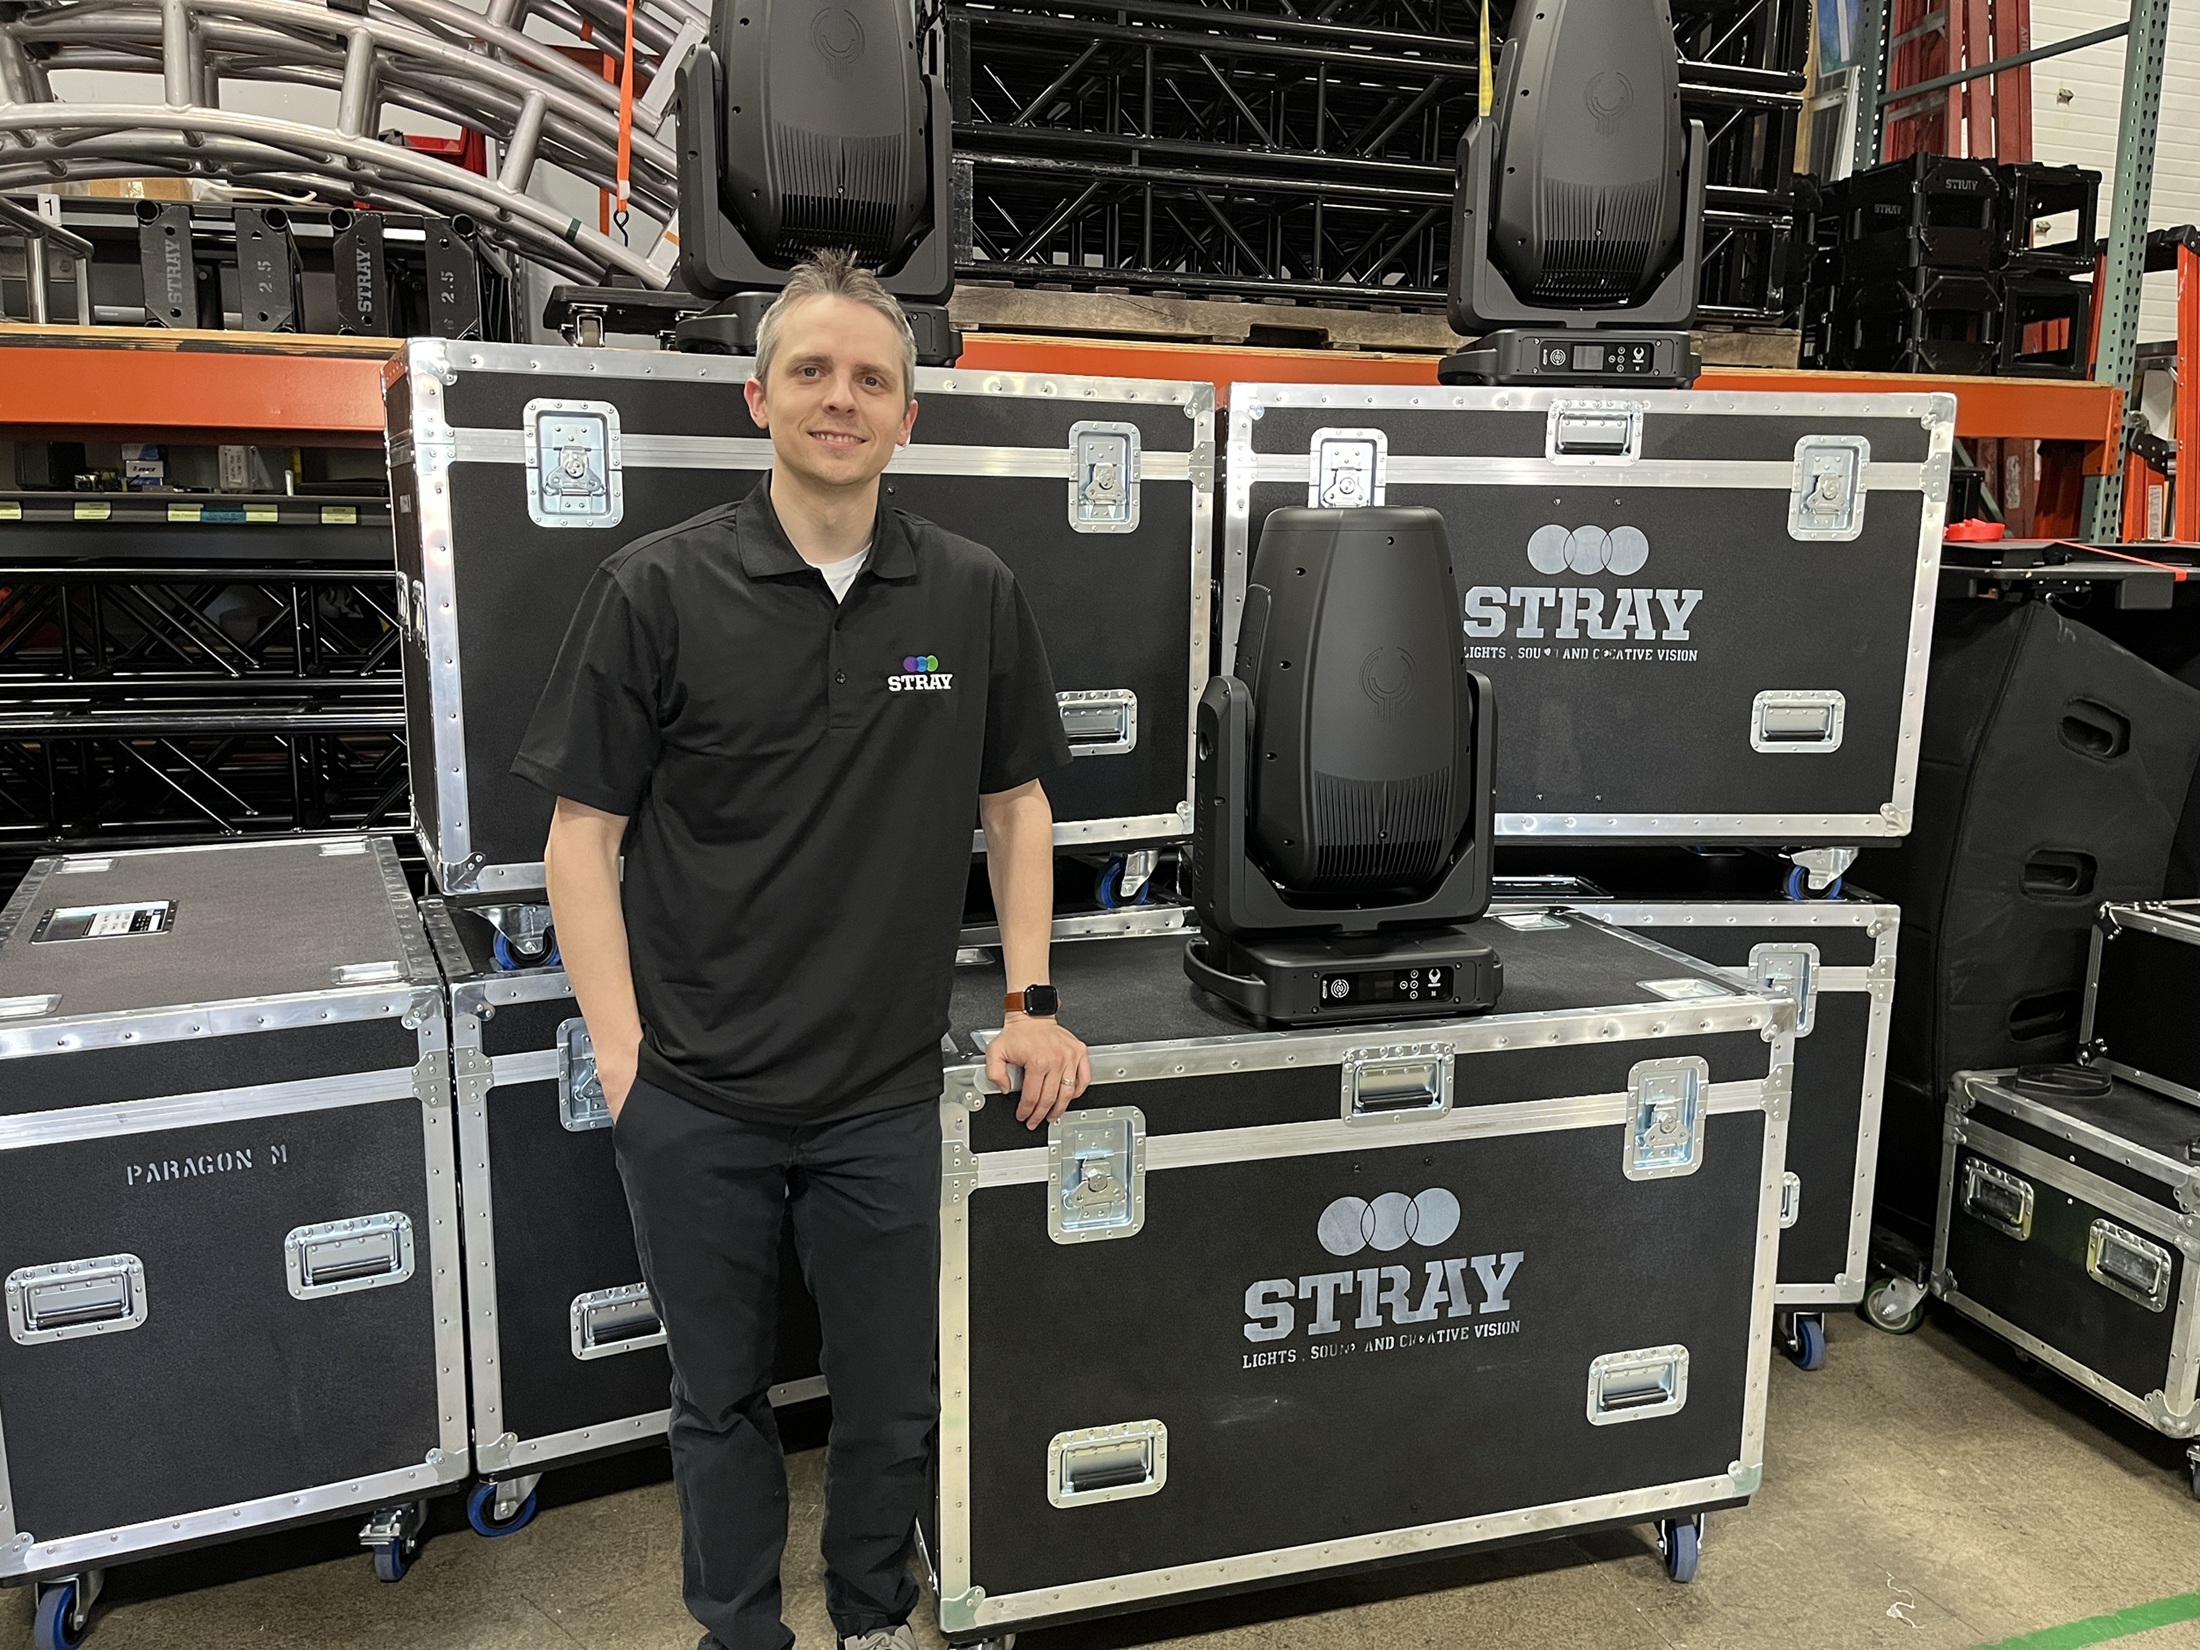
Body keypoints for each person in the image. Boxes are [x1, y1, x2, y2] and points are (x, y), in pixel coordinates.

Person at [515, 248, 1092, 1650]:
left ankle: (872, 1615)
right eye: (813, 371)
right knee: (717, 1398)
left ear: (910, 416)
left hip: (881, 1093)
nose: (843, 398)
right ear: (758, 398)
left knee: (888, 1398)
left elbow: (1016, 803)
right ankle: (738, 1630)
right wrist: (623, 1056)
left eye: (872, 379)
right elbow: (579, 838)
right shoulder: (653, 591)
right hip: (695, 1096)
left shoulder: (970, 593)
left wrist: (1031, 1001)